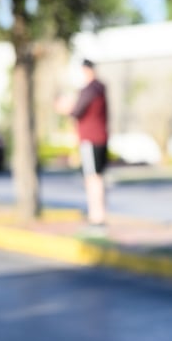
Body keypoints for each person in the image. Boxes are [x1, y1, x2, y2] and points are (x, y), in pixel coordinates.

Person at [58, 59, 109, 229]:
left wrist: (64, 107)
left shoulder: (89, 90)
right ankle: (98, 215)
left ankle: (97, 216)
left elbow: (76, 111)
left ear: (86, 71)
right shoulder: (100, 88)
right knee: (97, 177)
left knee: (92, 178)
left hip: (90, 139)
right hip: (100, 137)